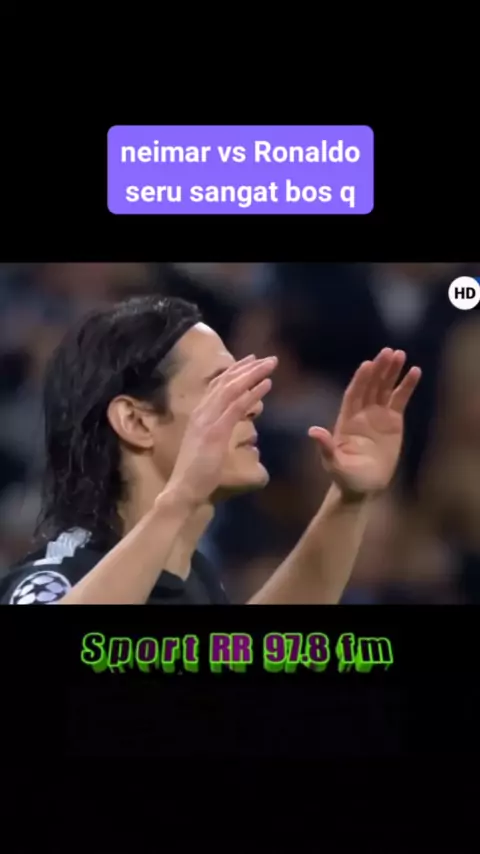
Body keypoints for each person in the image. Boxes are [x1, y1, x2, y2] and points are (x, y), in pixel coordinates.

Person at [0, 295, 421, 605]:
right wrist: (181, 495)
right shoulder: (58, 578)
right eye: (222, 387)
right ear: (136, 422)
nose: (254, 405)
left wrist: (349, 499)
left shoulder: (191, 577)